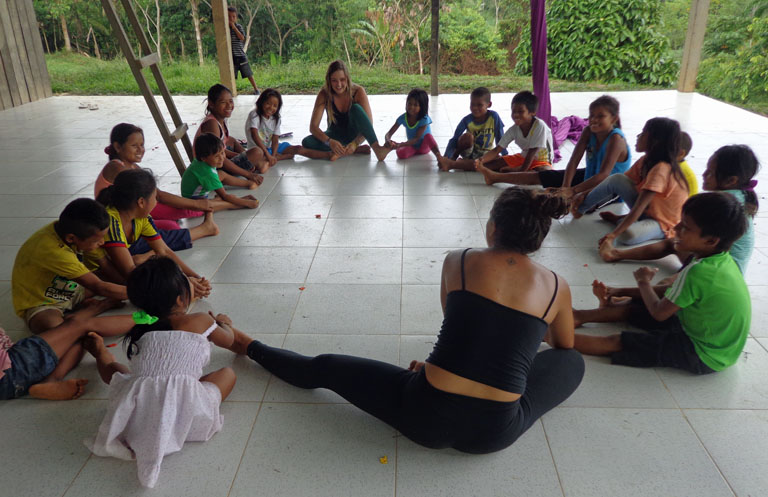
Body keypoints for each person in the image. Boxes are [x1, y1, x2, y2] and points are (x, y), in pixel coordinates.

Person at [235, 187, 584, 453]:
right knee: (572, 361)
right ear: (539, 238)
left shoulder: (460, 260)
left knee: (325, 367)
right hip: (494, 433)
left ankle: (246, 344)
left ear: (492, 228)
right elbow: (563, 345)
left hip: (425, 416)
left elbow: (460, 324)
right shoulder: (557, 286)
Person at [84, 257, 251, 487]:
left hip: (138, 411)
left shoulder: (139, 328)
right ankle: (186, 386)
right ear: (181, 298)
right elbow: (230, 340)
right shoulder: (201, 320)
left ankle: (101, 353)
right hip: (189, 413)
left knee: (118, 375)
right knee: (228, 374)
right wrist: (222, 322)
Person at [573, 192, 751, 375]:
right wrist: (620, 290)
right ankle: (579, 315)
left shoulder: (700, 272)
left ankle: (554, 335)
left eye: (686, 227)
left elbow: (659, 313)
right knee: (639, 305)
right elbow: (669, 292)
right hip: (705, 334)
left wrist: (643, 282)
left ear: (711, 241)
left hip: (703, 354)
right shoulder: (720, 260)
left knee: (617, 341)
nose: (676, 227)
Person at [598, 144, 759, 273]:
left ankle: (618, 266)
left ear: (731, 180)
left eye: (710, 172)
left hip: (720, 271)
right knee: (672, 243)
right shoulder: (739, 195)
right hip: (718, 261)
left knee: (673, 286)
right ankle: (615, 254)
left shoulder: (725, 203)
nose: (704, 174)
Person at [12, 198, 128, 334]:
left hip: (70, 288)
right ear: (71, 238)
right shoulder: (53, 250)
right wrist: (141, 294)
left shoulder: (70, 230)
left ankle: (78, 314)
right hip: (44, 301)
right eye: (97, 240)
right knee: (53, 327)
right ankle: (95, 309)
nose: (102, 242)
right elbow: (98, 286)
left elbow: (104, 271)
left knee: (109, 276)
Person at [476, 95, 631, 194]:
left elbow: (603, 176)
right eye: (591, 115)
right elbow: (573, 162)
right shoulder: (588, 132)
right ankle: (495, 177)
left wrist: (571, 191)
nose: (594, 120)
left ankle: (573, 195)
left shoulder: (616, 140)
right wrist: (566, 186)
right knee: (544, 177)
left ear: (613, 118)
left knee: (578, 203)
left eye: (600, 116)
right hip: (589, 175)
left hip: (610, 188)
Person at [572, 117, 689, 246]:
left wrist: (612, 236)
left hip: (661, 223)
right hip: (647, 210)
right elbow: (619, 183)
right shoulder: (646, 160)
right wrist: (584, 195)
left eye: (643, 134)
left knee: (627, 235)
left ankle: (623, 221)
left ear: (655, 141)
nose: (638, 136)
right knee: (617, 178)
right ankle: (580, 209)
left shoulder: (661, 169)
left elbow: (640, 205)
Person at [96, 169, 211, 300]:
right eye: (155, 198)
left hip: (118, 266)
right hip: (96, 270)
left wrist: (196, 278)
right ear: (141, 202)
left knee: (147, 267)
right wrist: (183, 284)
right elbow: (130, 274)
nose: (156, 202)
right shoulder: (111, 222)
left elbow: (164, 251)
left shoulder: (142, 218)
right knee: (142, 285)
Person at [95, 123, 215, 232]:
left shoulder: (132, 166)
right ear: (117, 147)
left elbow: (156, 194)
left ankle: (223, 203)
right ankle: (211, 219)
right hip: (127, 218)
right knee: (178, 219)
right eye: (134, 145)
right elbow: (159, 195)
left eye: (141, 145)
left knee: (185, 209)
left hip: (140, 209)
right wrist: (197, 204)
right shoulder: (116, 168)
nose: (140, 149)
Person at [0, 310, 133, 401]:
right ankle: (147, 319)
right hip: (13, 368)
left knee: (82, 337)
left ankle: (50, 381)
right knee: (80, 325)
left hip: (7, 388)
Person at [301, 60, 390, 161]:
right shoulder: (324, 94)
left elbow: (368, 124)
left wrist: (355, 143)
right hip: (335, 136)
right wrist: (329, 141)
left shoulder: (358, 91)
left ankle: (377, 149)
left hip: (353, 135)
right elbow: (313, 127)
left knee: (355, 108)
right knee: (307, 142)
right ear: (329, 80)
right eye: (334, 80)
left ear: (347, 79)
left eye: (342, 80)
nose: (339, 84)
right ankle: (347, 151)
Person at [195, 83, 265, 185]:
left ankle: (251, 162)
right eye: (223, 102)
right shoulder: (212, 124)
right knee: (257, 152)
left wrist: (240, 155)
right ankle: (249, 166)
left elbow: (222, 147)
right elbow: (217, 156)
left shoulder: (219, 119)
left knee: (230, 140)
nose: (229, 105)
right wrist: (248, 175)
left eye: (231, 101)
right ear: (211, 104)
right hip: (213, 167)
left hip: (218, 158)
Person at [474, 91, 553, 174]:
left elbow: (532, 153)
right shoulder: (514, 129)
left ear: (532, 113)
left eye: (521, 111)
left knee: (544, 172)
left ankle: (519, 170)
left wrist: (521, 171)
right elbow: (497, 150)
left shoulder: (540, 126)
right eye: (513, 111)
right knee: (485, 165)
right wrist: (480, 160)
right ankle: (519, 170)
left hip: (542, 162)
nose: (515, 115)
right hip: (523, 158)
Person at [182, 133, 261, 210]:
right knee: (218, 205)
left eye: (222, 153)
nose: (222, 158)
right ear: (204, 158)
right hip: (194, 204)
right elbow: (225, 196)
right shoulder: (207, 173)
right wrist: (247, 203)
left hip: (195, 196)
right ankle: (239, 204)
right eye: (216, 156)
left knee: (221, 174)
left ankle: (247, 185)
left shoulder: (201, 161)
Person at [437, 87, 505, 172]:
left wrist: (505, 155)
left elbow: (501, 138)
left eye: (479, 105)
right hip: (469, 152)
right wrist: (447, 156)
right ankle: (454, 160)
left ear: (489, 104)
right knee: (467, 137)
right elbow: (454, 139)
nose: (475, 108)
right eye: (472, 104)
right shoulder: (466, 120)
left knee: (498, 163)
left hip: (487, 154)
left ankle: (464, 164)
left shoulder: (494, 117)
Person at [244, 88, 310, 170]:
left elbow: (275, 139)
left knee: (298, 148)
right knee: (262, 167)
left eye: (275, 106)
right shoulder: (254, 114)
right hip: (258, 151)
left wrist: (273, 155)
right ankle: (279, 157)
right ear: (261, 102)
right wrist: (269, 156)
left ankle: (327, 154)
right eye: (268, 103)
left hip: (270, 149)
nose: (271, 107)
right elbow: (254, 135)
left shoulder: (276, 118)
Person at [383, 88, 443, 161]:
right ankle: (409, 151)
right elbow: (389, 133)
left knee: (428, 137)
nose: (411, 107)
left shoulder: (424, 119)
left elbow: (416, 139)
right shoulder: (403, 118)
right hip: (412, 146)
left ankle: (439, 157)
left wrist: (400, 144)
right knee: (401, 154)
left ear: (422, 107)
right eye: (410, 104)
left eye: (415, 105)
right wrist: (388, 140)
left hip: (424, 147)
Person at [227, 7, 260, 95]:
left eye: (233, 17)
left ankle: (256, 89)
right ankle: (230, 91)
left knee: (248, 73)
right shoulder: (225, 29)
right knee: (232, 75)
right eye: (229, 17)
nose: (231, 19)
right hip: (231, 57)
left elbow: (242, 38)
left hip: (240, 55)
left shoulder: (238, 26)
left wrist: (234, 28)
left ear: (236, 18)